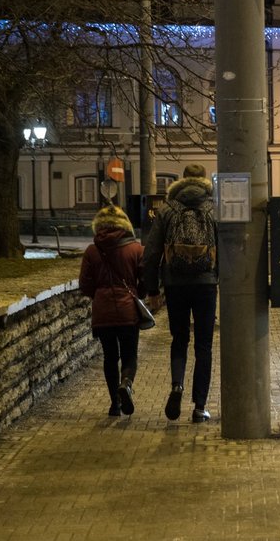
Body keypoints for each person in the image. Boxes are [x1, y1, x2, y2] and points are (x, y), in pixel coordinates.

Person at [143, 163, 218, 423]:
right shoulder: (213, 208)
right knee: (204, 345)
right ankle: (199, 407)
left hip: (175, 284)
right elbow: (227, 251)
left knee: (179, 339)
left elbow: (151, 253)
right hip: (206, 283)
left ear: (183, 180)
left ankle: (177, 385)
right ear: (204, 180)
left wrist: (153, 290)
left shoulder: (167, 210)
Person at [78, 205, 145, 417]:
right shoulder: (136, 249)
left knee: (109, 357)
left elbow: (84, 284)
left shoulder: (92, 250)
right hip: (128, 311)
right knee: (129, 356)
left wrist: (97, 295)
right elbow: (143, 281)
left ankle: (114, 405)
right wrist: (138, 294)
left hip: (102, 311)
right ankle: (126, 383)